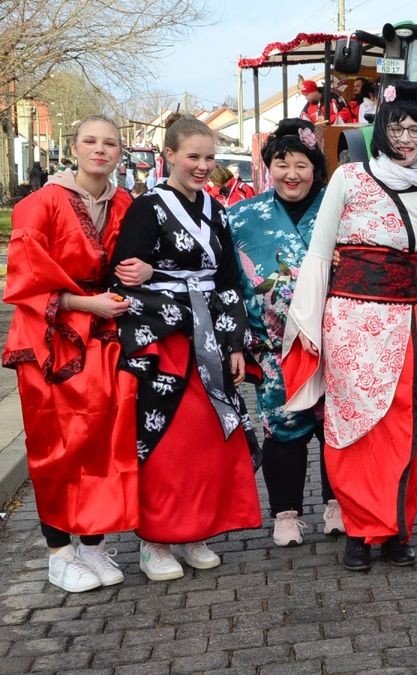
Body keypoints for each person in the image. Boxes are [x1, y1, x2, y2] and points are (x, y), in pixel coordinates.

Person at [282, 80, 417, 572]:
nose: (407, 137)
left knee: (406, 429)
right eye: (398, 127)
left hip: (407, 323)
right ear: (381, 130)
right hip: (348, 321)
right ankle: (359, 531)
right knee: (350, 427)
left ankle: (397, 531)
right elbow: (320, 253)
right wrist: (307, 323)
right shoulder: (348, 176)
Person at [112, 116, 262, 582]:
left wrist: (236, 343)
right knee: (167, 443)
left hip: (210, 339)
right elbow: (123, 276)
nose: (201, 166)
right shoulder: (146, 208)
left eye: (209, 157)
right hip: (168, 341)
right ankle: (154, 540)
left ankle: (194, 531)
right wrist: (159, 282)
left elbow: (229, 281)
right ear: (170, 156)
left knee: (206, 440)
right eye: (192, 156)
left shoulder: (216, 210)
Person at [4, 116, 143, 592]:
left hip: (104, 333)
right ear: (74, 146)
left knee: (107, 438)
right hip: (48, 336)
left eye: (110, 142)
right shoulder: (38, 204)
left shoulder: (126, 203)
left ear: (120, 152)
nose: (100, 150)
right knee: (56, 445)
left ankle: (92, 544)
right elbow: (25, 282)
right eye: (90, 141)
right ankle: (58, 551)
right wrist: (87, 303)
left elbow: (147, 257)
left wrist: (141, 269)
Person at [227, 119, 342, 548]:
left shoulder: (340, 208)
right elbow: (228, 285)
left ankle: (338, 504)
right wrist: (237, 342)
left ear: (317, 168)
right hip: (274, 349)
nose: (291, 174)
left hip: (335, 343)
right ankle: (286, 513)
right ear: (267, 168)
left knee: (336, 428)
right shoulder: (240, 217)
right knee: (283, 430)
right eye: (281, 164)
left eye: (301, 164)